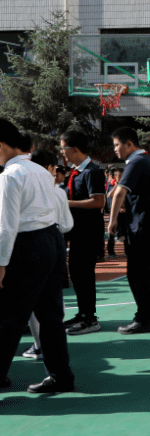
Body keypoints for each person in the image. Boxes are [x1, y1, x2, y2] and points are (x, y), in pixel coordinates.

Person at [0, 121, 75, 393]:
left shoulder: (10, 175)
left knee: (9, 317)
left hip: (27, 245)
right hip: (50, 240)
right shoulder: (41, 170)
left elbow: (6, 226)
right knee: (50, 315)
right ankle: (61, 375)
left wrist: (1, 264)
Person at [109, 127, 150, 334]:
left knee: (137, 273)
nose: (115, 149)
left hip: (143, 225)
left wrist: (112, 220)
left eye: (117, 144)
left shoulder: (136, 162)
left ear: (129, 144)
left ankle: (144, 318)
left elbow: (119, 193)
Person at [58, 129, 106, 335]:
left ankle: (90, 318)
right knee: (77, 274)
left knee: (84, 275)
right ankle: (83, 313)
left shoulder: (92, 171)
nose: (62, 153)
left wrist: (66, 202)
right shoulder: (76, 171)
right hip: (77, 232)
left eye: (63, 148)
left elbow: (99, 201)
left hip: (88, 233)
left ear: (75, 149)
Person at [104, 167, 125, 258]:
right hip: (115, 212)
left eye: (120, 175)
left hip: (125, 212)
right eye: (117, 175)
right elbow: (109, 195)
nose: (118, 177)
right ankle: (111, 252)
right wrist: (116, 185)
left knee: (126, 233)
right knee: (112, 232)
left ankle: (128, 251)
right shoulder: (112, 185)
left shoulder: (127, 185)